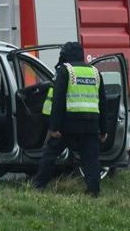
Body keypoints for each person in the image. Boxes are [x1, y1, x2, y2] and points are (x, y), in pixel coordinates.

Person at [33, 41, 108, 197]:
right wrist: (104, 130)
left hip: (69, 124)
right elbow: (103, 102)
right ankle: (93, 191)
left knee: (50, 154)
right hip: (91, 125)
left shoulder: (65, 71)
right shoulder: (95, 72)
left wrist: (54, 128)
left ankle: (38, 186)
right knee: (91, 160)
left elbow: (58, 101)